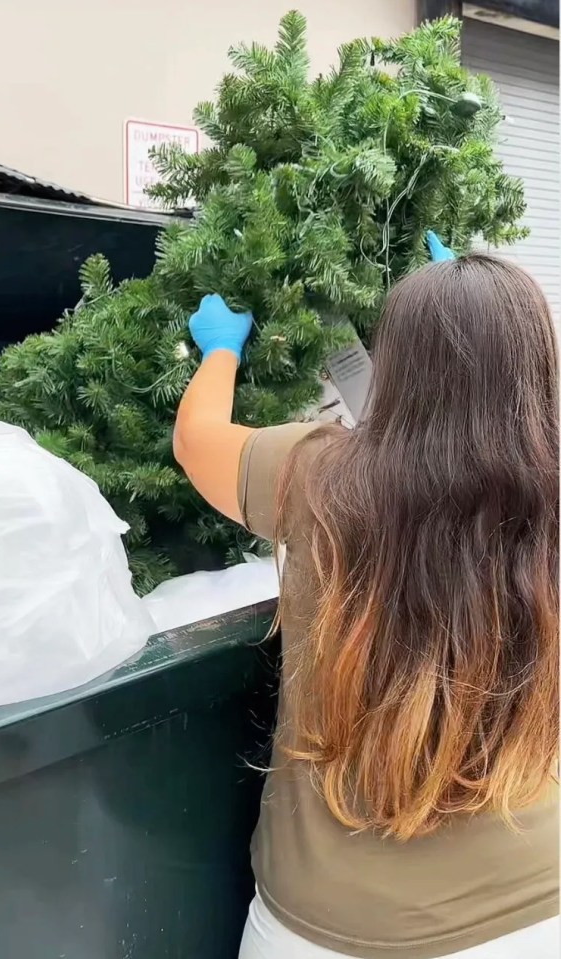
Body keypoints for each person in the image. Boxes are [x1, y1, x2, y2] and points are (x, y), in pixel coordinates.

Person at [173, 247, 559, 959]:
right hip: (535, 913)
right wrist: (490, 300)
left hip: (320, 928)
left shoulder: (314, 473)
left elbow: (195, 441)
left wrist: (221, 352)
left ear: (397, 364)